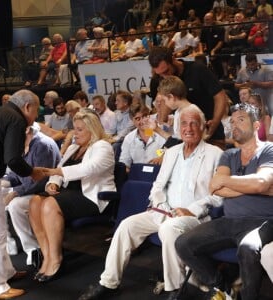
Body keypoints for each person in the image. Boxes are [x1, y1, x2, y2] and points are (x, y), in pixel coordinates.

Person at [78, 104, 223, 300]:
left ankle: (176, 288)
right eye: (184, 124)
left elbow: (219, 195)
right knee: (126, 226)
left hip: (193, 217)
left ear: (203, 127)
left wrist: (192, 210)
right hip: (162, 211)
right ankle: (109, 283)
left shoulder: (216, 154)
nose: (188, 129)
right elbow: (157, 185)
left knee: (169, 229)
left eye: (194, 124)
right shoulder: (171, 152)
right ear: (179, 128)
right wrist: (160, 203)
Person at [175, 102, 273, 300]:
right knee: (183, 243)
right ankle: (222, 287)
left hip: (263, 220)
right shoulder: (228, 155)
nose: (234, 124)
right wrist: (255, 187)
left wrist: (230, 182)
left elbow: (261, 182)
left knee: (248, 248)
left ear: (256, 125)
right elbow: (214, 187)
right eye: (232, 121)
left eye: (241, 119)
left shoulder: (269, 150)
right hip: (229, 221)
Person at [0, 89, 47, 299]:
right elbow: (13, 159)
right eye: (36, 111)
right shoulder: (16, 119)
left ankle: (5, 272)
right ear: (27, 107)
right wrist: (32, 173)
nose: (35, 117)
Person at [29, 110, 116, 282]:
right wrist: (52, 182)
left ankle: (56, 259)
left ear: (92, 129)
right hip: (70, 192)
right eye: (74, 129)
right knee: (35, 201)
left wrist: (54, 171)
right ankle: (46, 255)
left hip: (91, 196)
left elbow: (88, 168)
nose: (74, 133)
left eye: (79, 129)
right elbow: (60, 168)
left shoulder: (103, 146)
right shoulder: (73, 147)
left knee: (50, 204)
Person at [3, 122, 61, 265]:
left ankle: (33, 248)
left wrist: (14, 193)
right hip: (29, 189)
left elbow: (40, 180)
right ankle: (10, 243)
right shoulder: (22, 144)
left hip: (45, 191)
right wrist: (2, 183)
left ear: (27, 130)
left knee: (15, 205)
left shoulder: (42, 145)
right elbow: (17, 175)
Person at [148, 46, 227, 149]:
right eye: (160, 74)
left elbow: (220, 96)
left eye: (166, 71)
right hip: (185, 141)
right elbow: (163, 117)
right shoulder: (160, 79)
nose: (164, 76)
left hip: (212, 135)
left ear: (173, 60)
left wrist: (214, 123)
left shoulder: (198, 69)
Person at [119, 103, 166, 172]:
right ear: (132, 120)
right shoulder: (129, 139)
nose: (142, 121)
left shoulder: (160, 134)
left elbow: (165, 151)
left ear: (149, 116)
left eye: (144, 116)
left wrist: (161, 157)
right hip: (138, 175)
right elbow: (124, 162)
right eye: (138, 119)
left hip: (158, 173)